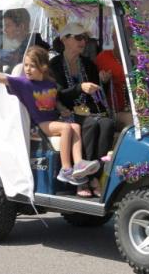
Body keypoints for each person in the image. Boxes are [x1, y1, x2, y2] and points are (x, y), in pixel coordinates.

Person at [0, 45, 100, 186]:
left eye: (32, 66)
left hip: (53, 120)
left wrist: (62, 109)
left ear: (43, 66)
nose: (27, 69)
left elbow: (54, 100)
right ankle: (65, 169)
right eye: (26, 65)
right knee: (66, 128)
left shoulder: (51, 83)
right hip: (40, 124)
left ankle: (78, 164)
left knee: (76, 126)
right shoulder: (24, 83)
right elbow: (2, 77)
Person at [49, 22, 115, 198]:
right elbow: (59, 94)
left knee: (108, 124)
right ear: (65, 39)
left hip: (89, 111)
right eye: (78, 37)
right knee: (91, 125)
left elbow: (98, 93)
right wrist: (81, 87)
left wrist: (104, 82)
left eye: (84, 38)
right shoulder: (54, 65)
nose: (83, 41)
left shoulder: (88, 64)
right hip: (66, 113)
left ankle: (95, 175)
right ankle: (84, 179)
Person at [96, 32, 133, 130]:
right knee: (133, 119)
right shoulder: (103, 58)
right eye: (121, 34)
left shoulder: (138, 59)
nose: (125, 38)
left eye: (130, 34)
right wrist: (103, 79)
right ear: (113, 37)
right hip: (113, 112)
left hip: (136, 108)